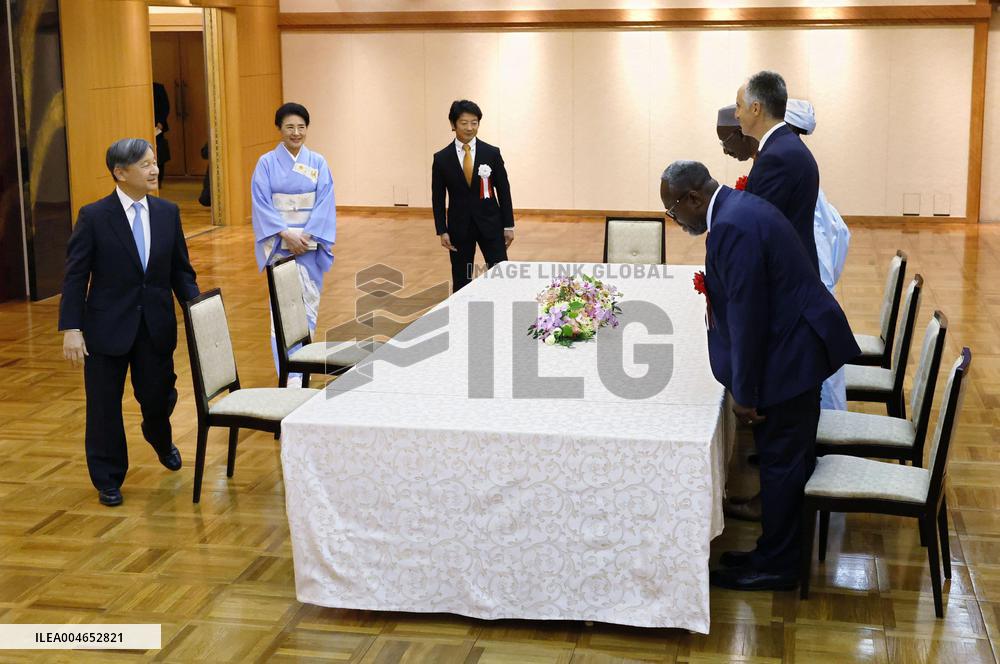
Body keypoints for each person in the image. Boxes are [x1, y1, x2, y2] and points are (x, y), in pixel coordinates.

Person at [660, 160, 859, 590]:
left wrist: (745, 394)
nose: (676, 222)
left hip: (790, 357)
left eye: (674, 212)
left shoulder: (732, 227)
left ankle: (779, 565)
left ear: (693, 198)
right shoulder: (738, 208)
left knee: (781, 464)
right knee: (783, 462)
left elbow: (750, 316)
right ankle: (775, 552)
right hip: (795, 346)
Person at [59, 138, 200, 507]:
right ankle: (108, 478)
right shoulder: (94, 216)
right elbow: (75, 276)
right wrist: (72, 328)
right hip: (105, 329)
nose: (154, 170)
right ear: (120, 173)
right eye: (144, 165)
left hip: (155, 325)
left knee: (159, 396)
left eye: (154, 162)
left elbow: (181, 272)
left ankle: (159, 435)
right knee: (103, 406)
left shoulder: (168, 212)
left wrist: (199, 311)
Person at [718, 99, 850, 410]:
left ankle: (825, 429)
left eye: (727, 137)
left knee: (814, 383)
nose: (725, 149)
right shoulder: (782, 165)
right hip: (803, 294)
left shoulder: (781, 171)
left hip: (802, 303)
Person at [251, 103, 337, 385]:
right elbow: (262, 204)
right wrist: (285, 234)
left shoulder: (318, 163)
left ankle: (302, 371)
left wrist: (308, 237)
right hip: (280, 247)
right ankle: (288, 375)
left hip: (309, 248)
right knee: (282, 312)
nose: (296, 132)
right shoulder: (266, 163)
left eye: (301, 127)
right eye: (290, 127)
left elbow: (325, 204)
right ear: (280, 129)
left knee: (307, 309)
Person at [735, 71, 820, 274]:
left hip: (787, 276)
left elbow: (760, 226)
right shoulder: (783, 146)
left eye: (738, 106)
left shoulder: (778, 157)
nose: (736, 114)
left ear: (755, 108)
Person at [432, 100, 515, 292]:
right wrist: (442, 230)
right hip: (459, 227)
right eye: (464, 123)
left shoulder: (491, 153)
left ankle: (504, 311)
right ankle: (462, 318)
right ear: (453, 125)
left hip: (491, 224)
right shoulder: (442, 158)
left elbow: (503, 191)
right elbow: (437, 197)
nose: (470, 128)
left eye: (474, 122)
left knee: (500, 273)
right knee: (461, 279)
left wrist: (508, 225)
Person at [153, 82, 171, 188]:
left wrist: (161, 121)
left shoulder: (158, 87)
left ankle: (159, 180)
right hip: (143, 124)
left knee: (159, 154)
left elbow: (166, 106)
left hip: (158, 126)